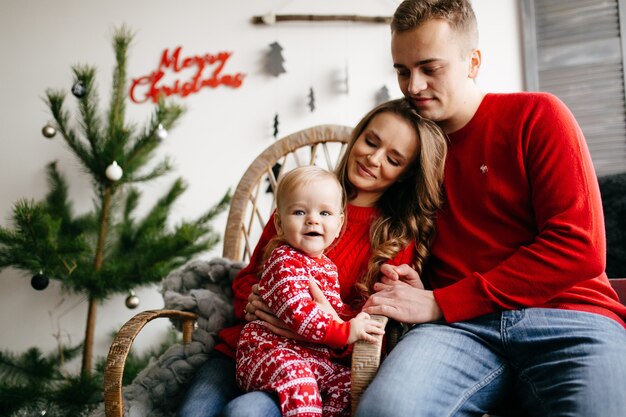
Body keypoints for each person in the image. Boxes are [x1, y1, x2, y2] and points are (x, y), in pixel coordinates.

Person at [353, 1, 626, 416]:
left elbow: (580, 248)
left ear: (473, 62)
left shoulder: (538, 115)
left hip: (569, 318)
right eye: (402, 70)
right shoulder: (407, 150)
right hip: (458, 332)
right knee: (385, 410)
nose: (412, 86)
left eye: (430, 67)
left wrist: (443, 302)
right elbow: (358, 223)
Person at [176, 98, 448, 417]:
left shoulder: (397, 237)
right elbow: (250, 277)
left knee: (245, 412)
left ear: (405, 174)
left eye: (393, 159)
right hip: (243, 349)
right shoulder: (303, 196)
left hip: (312, 369)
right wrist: (258, 302)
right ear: (358, 136)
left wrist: (318, 326)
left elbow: (376, 326)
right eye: (370, 141)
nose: (373, 159)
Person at [236, 165, 385, 417]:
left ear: (339, 225)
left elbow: (332, 308)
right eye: (299, 211)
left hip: (311, 356)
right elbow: (300, 314)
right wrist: (346, 330)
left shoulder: (327, 267)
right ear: (280, 224)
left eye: (324, 212)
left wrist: (349, 320)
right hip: (268, 352)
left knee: (346, 386)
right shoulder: (284, 261)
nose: (312, 219)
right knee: (300, 384)